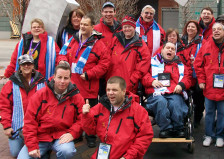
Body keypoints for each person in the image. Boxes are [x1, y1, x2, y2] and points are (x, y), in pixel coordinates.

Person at [17, 62, 84, 159]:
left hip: (61, 136)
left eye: (66, 78)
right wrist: (32, 146)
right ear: (54, 77)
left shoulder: (76, 96)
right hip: (40, 136)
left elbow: (82, 119)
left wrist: (72, 133)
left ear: (70, 79)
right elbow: (29, 122)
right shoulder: (40, 95)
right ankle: (44, 153)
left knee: (67, 151)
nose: (62, 81)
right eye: (59, 77)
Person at [64, 14, 110, 147]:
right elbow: (63, 53)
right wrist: (62, 60)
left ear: (92, 27)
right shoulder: (72, 40)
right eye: (81, 24)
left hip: (88, 86)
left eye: (85, 24)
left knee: (90, 113)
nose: (82, 26)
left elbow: (104, 64)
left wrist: (90, 74)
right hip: (72, 84)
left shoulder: (99, 45)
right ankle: (76, 134)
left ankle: (90, 136)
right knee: (73, 112)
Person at [194, 23, 224, 147]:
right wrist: (201, 81)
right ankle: (209, 135)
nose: (216, 31)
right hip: (209, 86)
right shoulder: (205, 46)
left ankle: (220, 135)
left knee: (223, 113)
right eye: (214, 29)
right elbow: (198, 65)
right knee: (209, 113)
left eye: (219, 29)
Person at [81, 76, 153, 159]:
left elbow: (145, 136)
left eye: (114, 90)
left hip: (127, 155)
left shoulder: (137, 110)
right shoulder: (101, 107)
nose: (110, 93)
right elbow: (90, 131)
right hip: (104, 153)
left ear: (123, 91)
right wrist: (86, 116)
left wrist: (128, 157)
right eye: (108, 90)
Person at [142, 42, 192, 138]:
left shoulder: (180, 65)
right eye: (168, 48)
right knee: (161, 102)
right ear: (162, 50)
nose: (170, 50)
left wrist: (181, 85)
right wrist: (151, 81)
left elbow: (187, 78)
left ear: (175, 53)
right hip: (156, 93)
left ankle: (178, 127)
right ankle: (166, 128)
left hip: (174, 92)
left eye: (172, 49)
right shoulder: (151, 62)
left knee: (176, 103)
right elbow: (144, 75)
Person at [0, 55, 45, 157]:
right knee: (15, 152)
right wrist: (6, 126)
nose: (26, 66)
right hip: (17, 127)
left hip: (37, 128)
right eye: (23, 64)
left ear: (33, 65)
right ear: (19, 66)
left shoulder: (42, 82)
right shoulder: (11, 84)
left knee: (36, 153)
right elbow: (4, 106)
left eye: (29, 64)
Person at [106, 14, 150, 94]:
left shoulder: (140, 44)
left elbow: (143, 65)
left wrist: (132, 80)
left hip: (129, 85)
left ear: (134, 27)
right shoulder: (115, 39)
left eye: (129, 26)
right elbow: (107, 56)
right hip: (112, 81)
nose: (127, 29)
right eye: (125, 27)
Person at [181, 20, 205, 126]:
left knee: (198, 94)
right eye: (189, 26)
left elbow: (205, 55)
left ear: (197, 29)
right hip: (184, 72)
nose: (190, 28)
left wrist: (198, 61)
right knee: (184, 94)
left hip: (196, 73)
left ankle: (198, 116)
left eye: (193, 27)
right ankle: (184, 116)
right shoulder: (182, 40)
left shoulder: (202, 41)